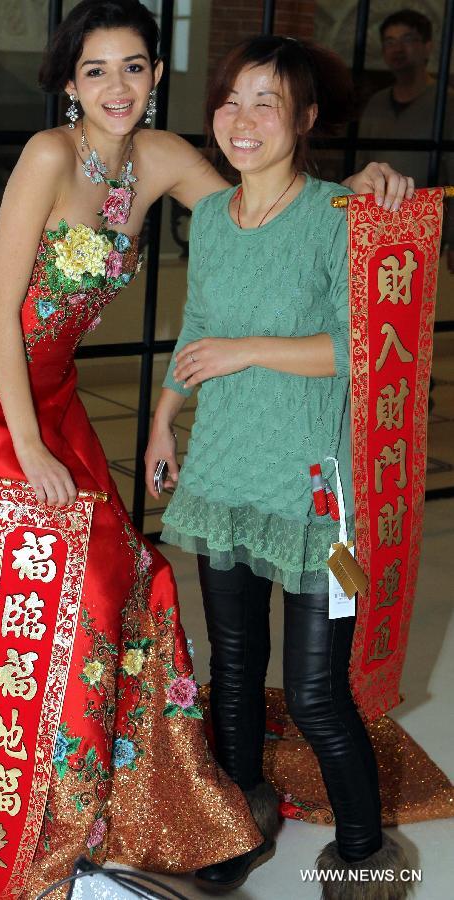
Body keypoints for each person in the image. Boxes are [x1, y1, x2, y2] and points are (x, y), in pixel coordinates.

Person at [0, 0, 411, 895]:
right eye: (94, 71)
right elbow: (0, 311)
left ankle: (101, 769)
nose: (115, 87)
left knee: (121, 576)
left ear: (159, 76)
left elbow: (257, 206)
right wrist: (34, 447)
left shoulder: (160, 157)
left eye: (133, 68)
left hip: (55, 394)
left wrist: (363, 191)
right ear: (69, 84)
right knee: (1, 587)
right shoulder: (50, 155)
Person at [146, 35, 413, 899]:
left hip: (315, 496)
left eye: (269, 101)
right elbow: (195, 333)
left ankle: (368, 850)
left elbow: (360, 348)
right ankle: (236, 818)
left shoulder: (342, 214)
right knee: (230, 669)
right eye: (231, 99)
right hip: (223, 479)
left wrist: (243, 351)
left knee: (313, 692)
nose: (243, 118)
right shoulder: (214, 217)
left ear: (304, 120)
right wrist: (161, 424)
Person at [359, 8, 454, 272]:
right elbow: (360, 164)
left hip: (430, 233)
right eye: (389, 41)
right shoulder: (376, 103)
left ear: (428, 47)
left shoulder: (448, 103)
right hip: (376, 230)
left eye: (408, 39)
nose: (397, 48)